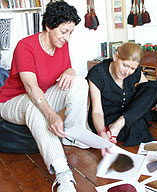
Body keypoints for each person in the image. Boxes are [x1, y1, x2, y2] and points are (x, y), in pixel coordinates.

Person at [0, 1, 89, 192]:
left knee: (80, 82)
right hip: (12, 101)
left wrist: (71, 71)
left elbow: (67, 69)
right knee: (34, 103)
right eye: (64, 31)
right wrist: (52, 115)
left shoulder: (61, 44)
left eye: (71, 32)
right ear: (48, 26)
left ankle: (72, 136)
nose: (67, 37)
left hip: (43, 95)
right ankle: (62, 171)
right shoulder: (25, 46)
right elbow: (31, 88)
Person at [86, 42, 157, 156]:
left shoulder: (135, 72)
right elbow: (97, 111)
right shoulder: (98, 73)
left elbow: (149, 93)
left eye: (132, 68)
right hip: (106, 117)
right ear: (116, 56)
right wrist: (101, 132)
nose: (127, 72)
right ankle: (116, 126)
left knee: (154, 87)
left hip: (127, 112)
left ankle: (119, 124)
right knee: (138, 128)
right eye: (125, 65)